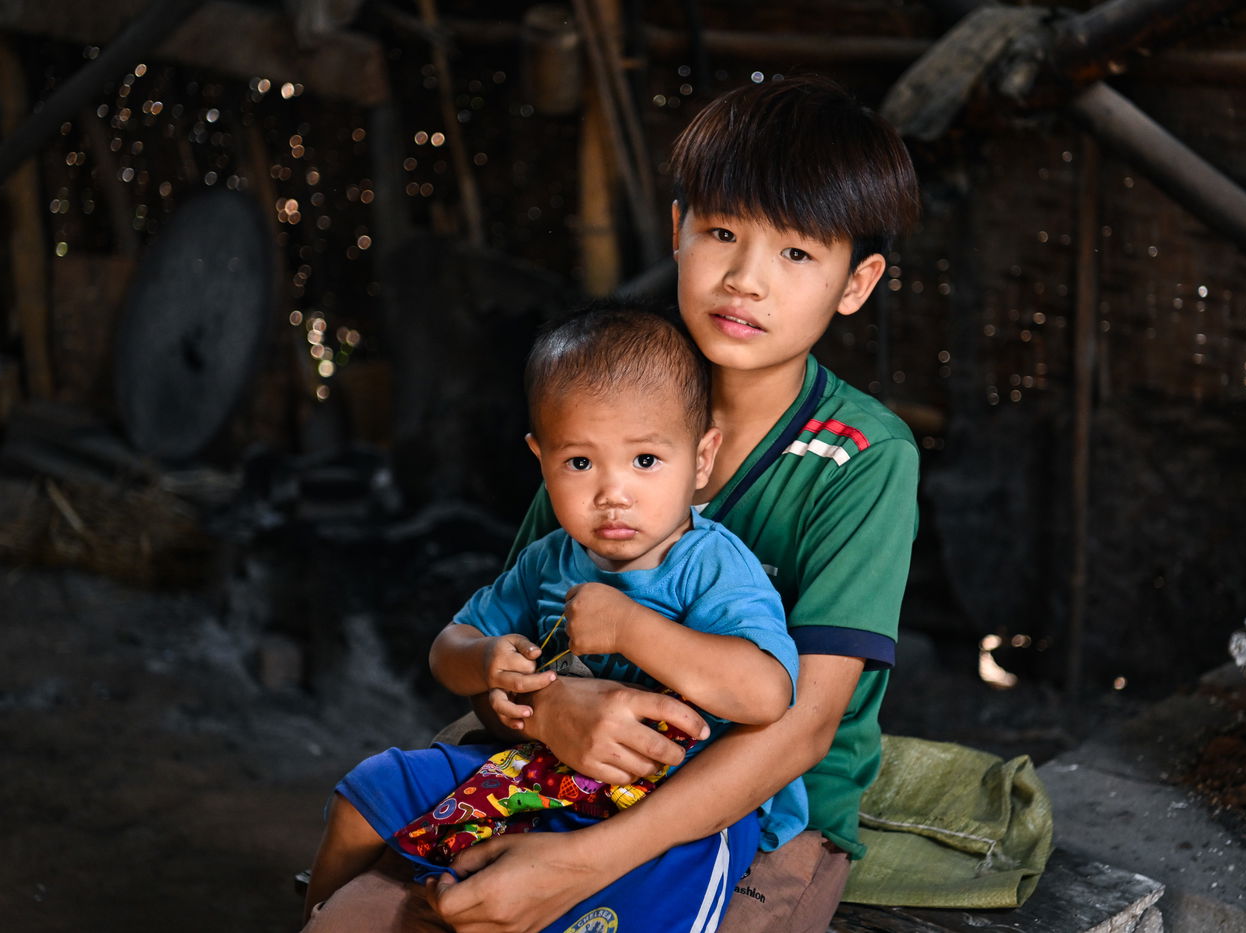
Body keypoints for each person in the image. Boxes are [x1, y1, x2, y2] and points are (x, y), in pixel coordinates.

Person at [305, 74, 920, 933]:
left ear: (856, 282)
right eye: (721, 232)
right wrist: (546, 707)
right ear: (677, 232)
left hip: (754, 806)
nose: (746, 278)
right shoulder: (614, 391)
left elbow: (802, 728)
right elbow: (515, 631)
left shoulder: (862, 457)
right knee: (354, 917)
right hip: (556, 748)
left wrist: (577, 862)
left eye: (796, 253)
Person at [303, 307, 801, 932]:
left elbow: (767, 694)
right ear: (542, 460)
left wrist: (629, 628)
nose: (612, 492)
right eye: (580, 463)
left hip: (673, 807)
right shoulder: (550, 560)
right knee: (366, 793)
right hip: (538, 769)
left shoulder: (712, 566)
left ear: (701, 459)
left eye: (645, 460)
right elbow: (447, 648)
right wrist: (484, 662)